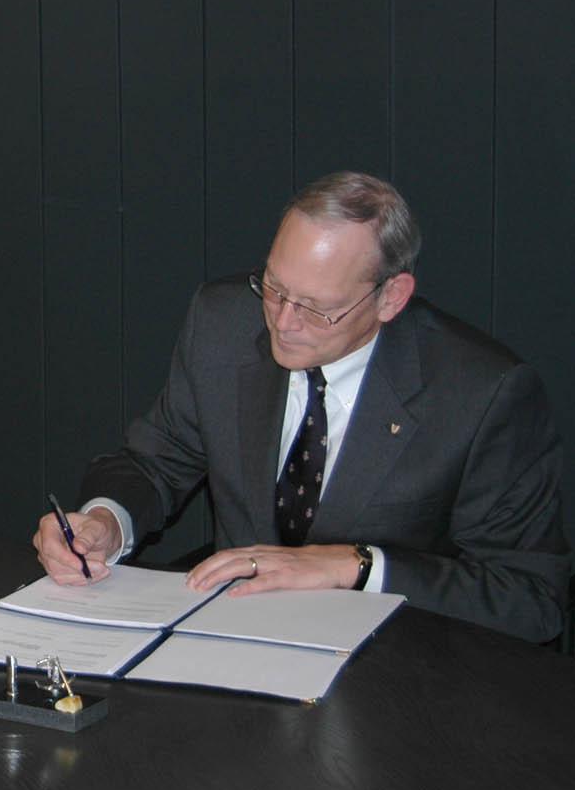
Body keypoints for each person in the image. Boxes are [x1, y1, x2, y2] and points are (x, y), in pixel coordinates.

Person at [33, 172, 569, 643]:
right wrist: (106, 521)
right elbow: (158, 460)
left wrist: (357, 566)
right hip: (234, 639)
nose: (284, 322)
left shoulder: (480, 393)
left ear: (391, 297)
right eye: (273, 287)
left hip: (397, 666)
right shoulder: (223, 323)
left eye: (317, 308)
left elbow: (532, 598)